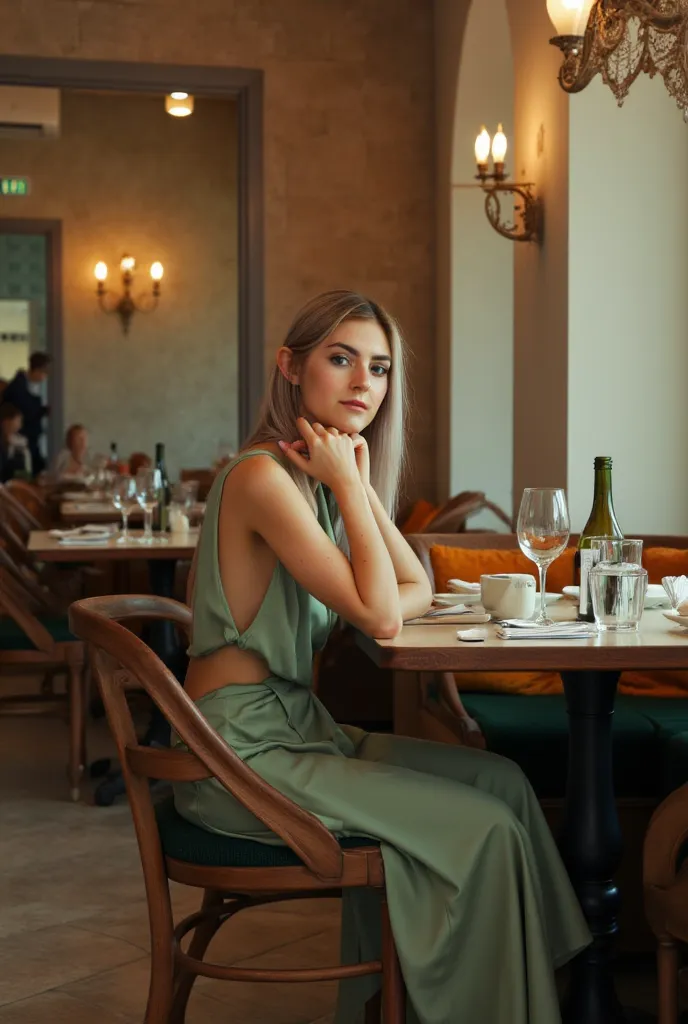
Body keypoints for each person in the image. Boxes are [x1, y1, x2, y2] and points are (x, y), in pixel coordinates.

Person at [173, 290, 591, 1024]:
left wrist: (357, 489)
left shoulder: (320, 484)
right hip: (238, 755)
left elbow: (415, 589)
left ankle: (549, 994)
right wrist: (349, 484)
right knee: (485, 827)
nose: (364, 381)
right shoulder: (266, 478)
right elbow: (380, 612)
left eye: (380, 366)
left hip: (300, 732)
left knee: (505, 786)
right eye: (341, 359)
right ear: (291, 367)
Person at [3, 352, 50, 475]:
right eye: (45, 372)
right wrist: (42, 411)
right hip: (22, 439)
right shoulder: (18, 388)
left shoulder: (27, 386)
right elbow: (27, 412)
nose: (45, 377)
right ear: (39, 370)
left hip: (30, 440)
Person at [0, 402, 30, 482]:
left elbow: (22, 473)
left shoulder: (18, 442)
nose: (20, 426)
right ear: (6, 421)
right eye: (17, 421)